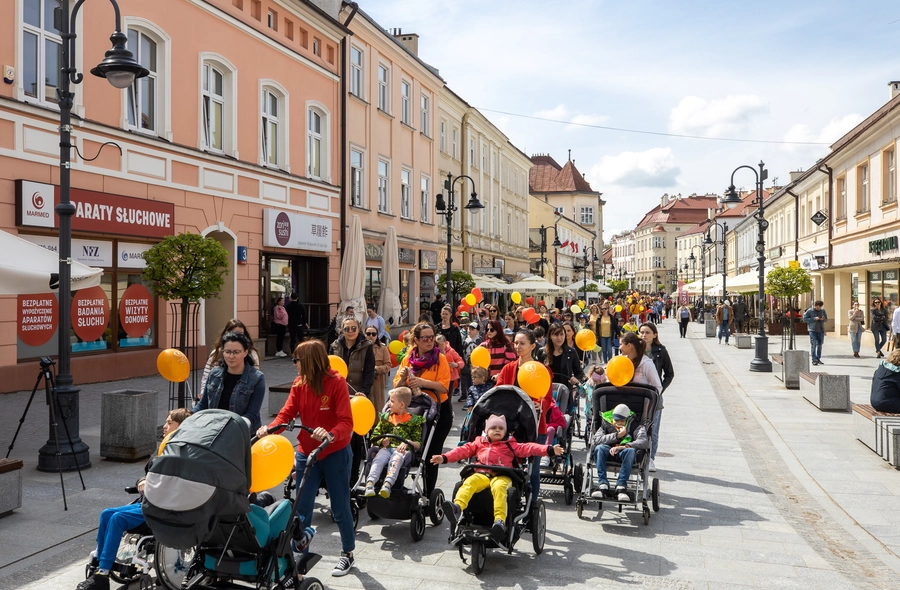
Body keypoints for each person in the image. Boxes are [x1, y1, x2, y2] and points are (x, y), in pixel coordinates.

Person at [261, 340, 356, 577]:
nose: (294, 364)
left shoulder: (336, 383)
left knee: (340, 506)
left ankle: (347, 553)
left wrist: (330, 434)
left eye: (297, 360)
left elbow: (346, 422)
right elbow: (286, 413)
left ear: (310, 361)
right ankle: (299, 559)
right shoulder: (299, 383)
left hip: (334, 452)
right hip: (307, 453)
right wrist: (269, 430)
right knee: (300, 509)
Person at [77, 409, 191, 590]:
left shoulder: (182, 453)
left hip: (162, 508)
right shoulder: (164, 448)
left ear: (181, 426)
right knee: (106, 513)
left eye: (170, 423)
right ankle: (99, 566)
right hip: (148, 502)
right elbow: (149, 473)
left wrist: (152, 484)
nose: (164, 426)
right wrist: (142, 480)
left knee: (117, 519)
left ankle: (103, 575)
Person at [433, 414, 563, 542]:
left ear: (506, 431)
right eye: (493, 428)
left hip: (503, 475)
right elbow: (461, 451)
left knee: (499, 488)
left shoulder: (510, 444)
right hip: (482, 474)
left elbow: (529, 447)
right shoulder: (479, 443)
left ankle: (499, 521)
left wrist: (549, 449)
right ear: (486, 430)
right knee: (469, 483)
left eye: (501, 428)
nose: (497, 430)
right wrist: (444, 457)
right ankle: (457, 508)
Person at [394, 322, 451, 496]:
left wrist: (423, 383)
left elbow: (444, 386)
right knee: (406, 449)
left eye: (432, 337)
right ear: (416, 340)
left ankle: (429, 492)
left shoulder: (439, 358)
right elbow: (397, 386)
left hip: (438, 411)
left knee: (431, 454)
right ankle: (396, 487)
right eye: (425, 338)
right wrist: (404, 380)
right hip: (414, 410)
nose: (430, 341)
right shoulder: (408, 357)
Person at [496, 329, 554, 498]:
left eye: (522, 343)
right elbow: (498, 391)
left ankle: (532, 506)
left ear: (533, 346)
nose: (518, 347)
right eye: (516, 343)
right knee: (506, 466)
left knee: (533, 471)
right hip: (510, 425)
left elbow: (548, 398)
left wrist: (540, 404)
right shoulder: (508, 368)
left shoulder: (542, 370)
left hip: (534, 426)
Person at [193, 331, 265, 432]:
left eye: (236, 352)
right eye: (227, 352)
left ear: (245, 352)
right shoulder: (214, 374)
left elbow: (252, 414)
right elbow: (202, 405)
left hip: (243, 435)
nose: (231, 356)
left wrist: (234, 427)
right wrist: (186, 416)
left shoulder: (257, 378)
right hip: (214, 432)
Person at [363, 387, 424, 499]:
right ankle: (370, 483)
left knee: (396, 459)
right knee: (378, 458)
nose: (389, 404)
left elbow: (418, 444)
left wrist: (408, 442)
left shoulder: (413, 422)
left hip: (402, 451)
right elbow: (374, 436)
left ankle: (387, 484)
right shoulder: (386, 418)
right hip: (386, 449)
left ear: (401, 405)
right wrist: (382, 440)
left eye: (392, 401)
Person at [589, 403, 649, 502]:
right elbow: (597, 440)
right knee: (599, 448)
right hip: (608, 451)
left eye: (622, 421)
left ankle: (621, 486)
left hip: (625, 452)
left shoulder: (635, 425)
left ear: (627, 419)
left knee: (630, 451)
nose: (619, 423)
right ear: (612, 418)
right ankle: (602, 484)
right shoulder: (606, 424)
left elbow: (643, 441)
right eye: (617, 420)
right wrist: (617, 435)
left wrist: (624, 446)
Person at [638, 322, 674, 472]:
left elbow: (669, 373)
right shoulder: (636, 350)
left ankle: (651, 458)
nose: (644, 335)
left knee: (653, 428)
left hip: (654, 395)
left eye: (647, 332)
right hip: (638, 393)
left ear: (655, 334)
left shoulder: (661, 351)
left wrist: (660, 389)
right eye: (642, 332)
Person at [199, 319, 261, 397]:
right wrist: (203, 392)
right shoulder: (216, 353)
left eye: (241, 334)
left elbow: (255, 376)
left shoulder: (251, 353)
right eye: (227, 352)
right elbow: (207, 374)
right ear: (227, 333)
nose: (231, 356)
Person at [594, 332, 662, 394]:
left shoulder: (646, 364)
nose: (619, 347)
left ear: (629, 345)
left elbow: (657, 387)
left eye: (621, 344)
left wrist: (648, 404)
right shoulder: (619, 360)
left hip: (640, 404)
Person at [330, 316, 375, 399]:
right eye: (347, 329)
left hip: (359, 394)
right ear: (343, 330)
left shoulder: (367, 347)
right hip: (338, 393)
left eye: (353, 328)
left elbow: (369, 372)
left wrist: (364, 392)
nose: (350, 331)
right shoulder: (335, 346)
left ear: (358, 329)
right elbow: (329, 369)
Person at [545, 323, 584, 392]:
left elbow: (579, 372)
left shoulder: (571, 352)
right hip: (546, 391)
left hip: (565, 391)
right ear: (550, 336)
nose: (559, 338)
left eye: (562, 334)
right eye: (556, 335)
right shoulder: (543, 352)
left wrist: (576, 379)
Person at [365, 325, 391, 411]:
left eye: (373, 334)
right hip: (364, 381)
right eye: (368, 334)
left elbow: (388, 365)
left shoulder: (382, 348)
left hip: (377, 381)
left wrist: (377, 369)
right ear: (365, 334)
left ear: (377, 336)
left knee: (377, 405)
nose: (371, 336)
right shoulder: (360, 348)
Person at [459, 322, 482, 404]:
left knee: (477, 383)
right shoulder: (466, 340)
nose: (470, 331)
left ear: (477, 330)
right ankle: (470, 401)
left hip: (477, 366)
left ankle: (477, 400)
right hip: (467, 365)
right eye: (469, 329)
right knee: (468, 384)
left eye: (472, 329)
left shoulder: (480, 340)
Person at [435, 334, 463, 401]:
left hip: (450, 378)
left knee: (448, 398)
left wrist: (456, 364)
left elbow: (461, 362)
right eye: (438, 345)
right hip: (440, 378)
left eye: (442, 344)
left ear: (445, 343)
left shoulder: (451, 351)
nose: (440, 346)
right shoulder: (435, 353)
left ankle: (449, 411)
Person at [803, 300, 828, 366]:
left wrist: (823, 319)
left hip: (821, 330)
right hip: (812, 330)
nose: (818, 308)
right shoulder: (810, 311)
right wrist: (814, 318)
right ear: (815, 305)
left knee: (820, 345)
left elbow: (826, 319)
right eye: (817, 307)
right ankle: (814, 359)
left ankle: (818, 358)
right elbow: (804, 319)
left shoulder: (823, 311)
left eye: (820, 307)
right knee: (813, 345)